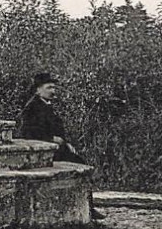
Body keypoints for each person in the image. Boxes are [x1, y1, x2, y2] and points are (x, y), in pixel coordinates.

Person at [18, 71, 105, 220]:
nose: (53, 91)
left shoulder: (47, 106)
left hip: (56, 149)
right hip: (43, 152)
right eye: (49, 87)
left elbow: (58, 130)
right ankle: (84, 208)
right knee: (77, 165)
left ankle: (87, 207)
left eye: (54, 88)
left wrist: (67, 143)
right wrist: (51, 138)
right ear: (38, 89)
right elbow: (28, 133)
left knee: (81, 165)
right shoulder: (32, 108)